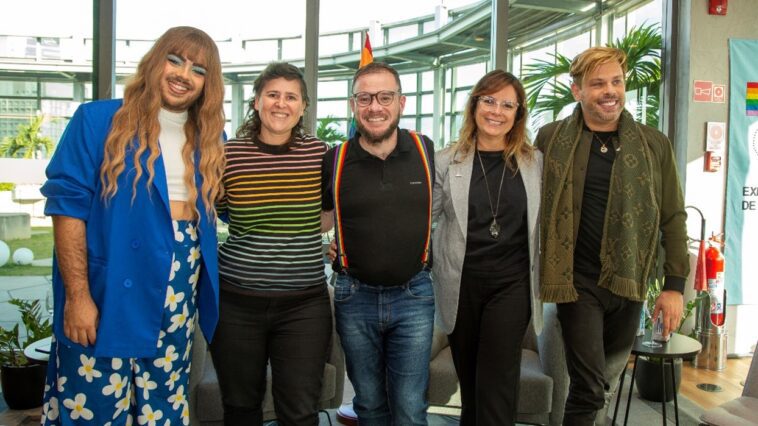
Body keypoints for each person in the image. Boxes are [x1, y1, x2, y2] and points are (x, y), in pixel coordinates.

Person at [39, 26, 225, 424]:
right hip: (109, 291)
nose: (183, 74)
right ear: (155, 62)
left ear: (208, 83)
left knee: (164, 403)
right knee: (94, 405)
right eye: (174, 60)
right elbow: (67, 208)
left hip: (178, 291)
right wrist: (77, 296)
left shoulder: (211, 137)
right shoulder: (97, 119)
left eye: (198, 69)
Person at [535, 46, 689, 425]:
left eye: (616, 81)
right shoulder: (551, 139)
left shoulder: (654, 144)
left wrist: (674, 286)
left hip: (629, 280)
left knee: (604, 384)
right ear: (577, 91)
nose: (610, 91)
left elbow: (673, 216)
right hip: (576, 283)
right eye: (598, 83)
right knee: (588, 387)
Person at [209, 62, 332, 426]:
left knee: (300, 412)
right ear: (257, 102)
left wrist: (302, 235)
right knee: (240, 406)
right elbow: (223, 212)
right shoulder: (228, 155)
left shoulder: (322, 154)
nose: (282, 104)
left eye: (291, 96)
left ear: (304, 106)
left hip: (304, 307)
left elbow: (330, 212)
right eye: (273, 95)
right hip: (236, 304)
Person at [322, 61, 436, 425]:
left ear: (401, 102)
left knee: (409, 406)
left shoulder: (426, 150)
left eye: (385, 96)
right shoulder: (334, 159)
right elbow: (319, 218)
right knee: (368, 405)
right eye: (365, 98)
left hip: (414, 296)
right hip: (354, 297)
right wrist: (321, 245)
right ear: (353, 105)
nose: (375, 106)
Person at [431, 69, 542, 426]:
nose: (496, 111)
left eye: (507, 104)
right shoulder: (447, 161)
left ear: (518, 114)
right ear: (475, 105)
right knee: (472, 384)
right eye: (489, 100)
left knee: (496, 382)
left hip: (511, 287)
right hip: (460, 286)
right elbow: (425, 219)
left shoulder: (535, 162)